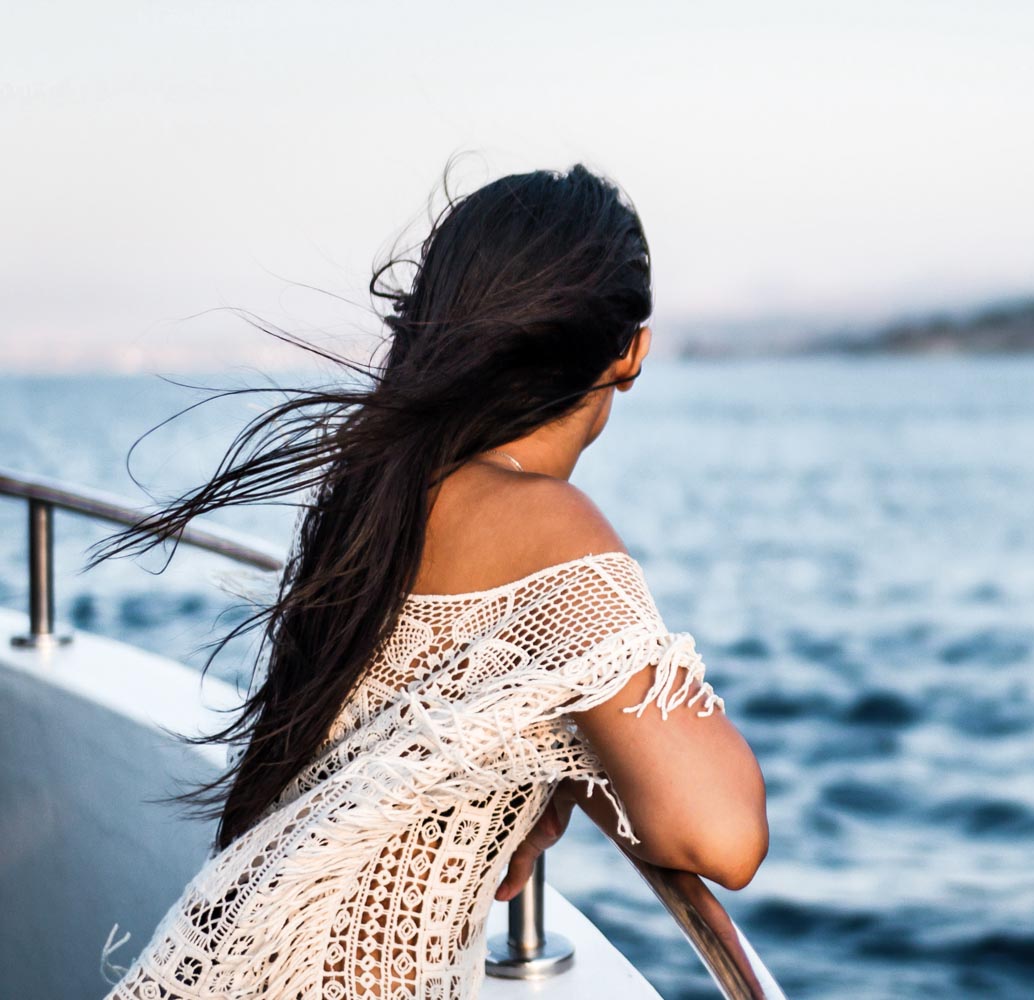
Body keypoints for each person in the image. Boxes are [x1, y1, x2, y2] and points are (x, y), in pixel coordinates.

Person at [95, 164, 769, 998]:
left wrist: (557, 747)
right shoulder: (548, 525)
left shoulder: (382, 487)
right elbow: (721, 837)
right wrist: (581, 741)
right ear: (632, 352)